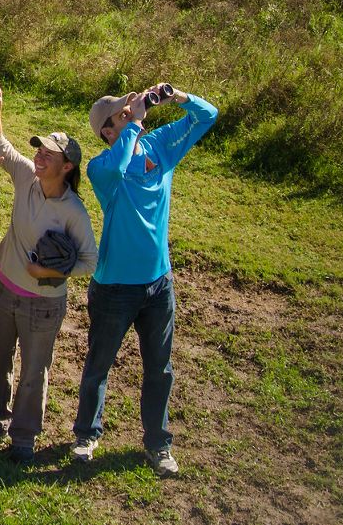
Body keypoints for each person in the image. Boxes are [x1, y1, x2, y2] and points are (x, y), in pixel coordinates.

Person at [72, 84, 217, 479]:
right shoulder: (101, 167)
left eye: (130, 107)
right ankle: (86, 435)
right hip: (115, 287)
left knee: (160, 368)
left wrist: (178, 98)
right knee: (99, 364)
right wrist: (133, 124)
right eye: (120, 113)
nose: (132, 111)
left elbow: (209, 115)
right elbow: (119, 167)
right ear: (107, 130)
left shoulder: (159, 148)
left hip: (158, 283)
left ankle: (158, 443)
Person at [0, 74, 98, 464]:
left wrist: (48, 274)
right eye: (39, 150)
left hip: (44, 304)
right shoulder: (27, 178)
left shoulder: (74, 211)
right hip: (4, 290)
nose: (40, 156)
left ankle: (24, 438)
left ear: (67, 166)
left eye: (49, 155)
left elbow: (90, 261)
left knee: (32, 375)